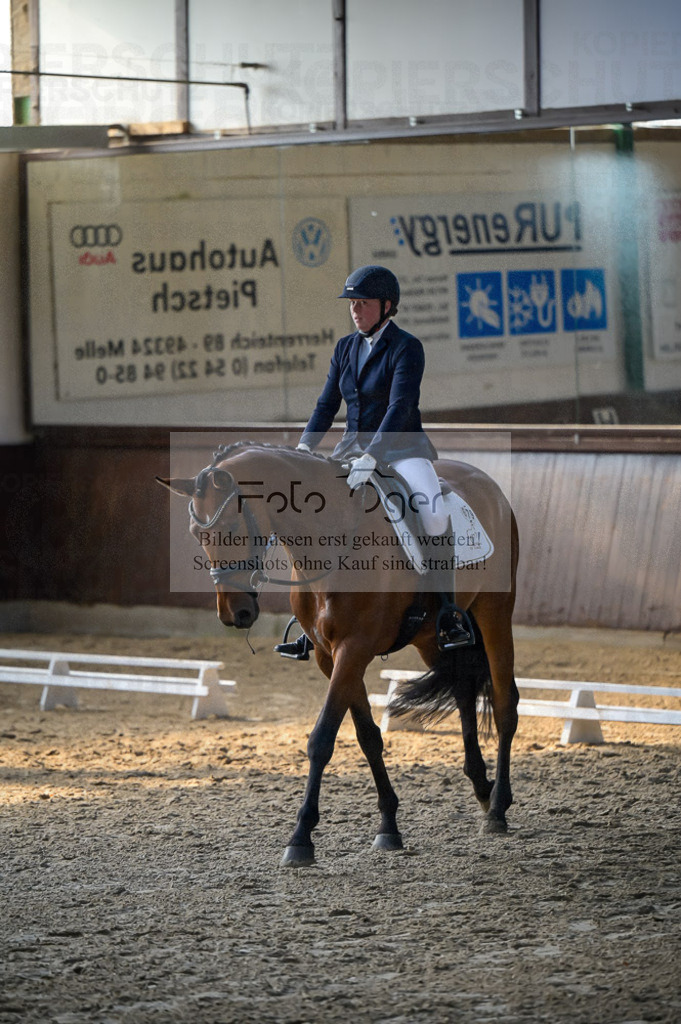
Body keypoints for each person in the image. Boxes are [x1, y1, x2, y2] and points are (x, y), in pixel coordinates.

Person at [274, 264, 472, 659]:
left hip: (402, 451)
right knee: (317, 513)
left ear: (387, 306)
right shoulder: (345, 348)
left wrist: (374, 454)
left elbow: (400, 407)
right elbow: (328, 403)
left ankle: (447, 612)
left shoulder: (406, 347)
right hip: (350, 452)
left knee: (433, 515)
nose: (355, 310)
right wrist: (304, 447)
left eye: (362, 303)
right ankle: (311, 618)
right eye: (352, 303)